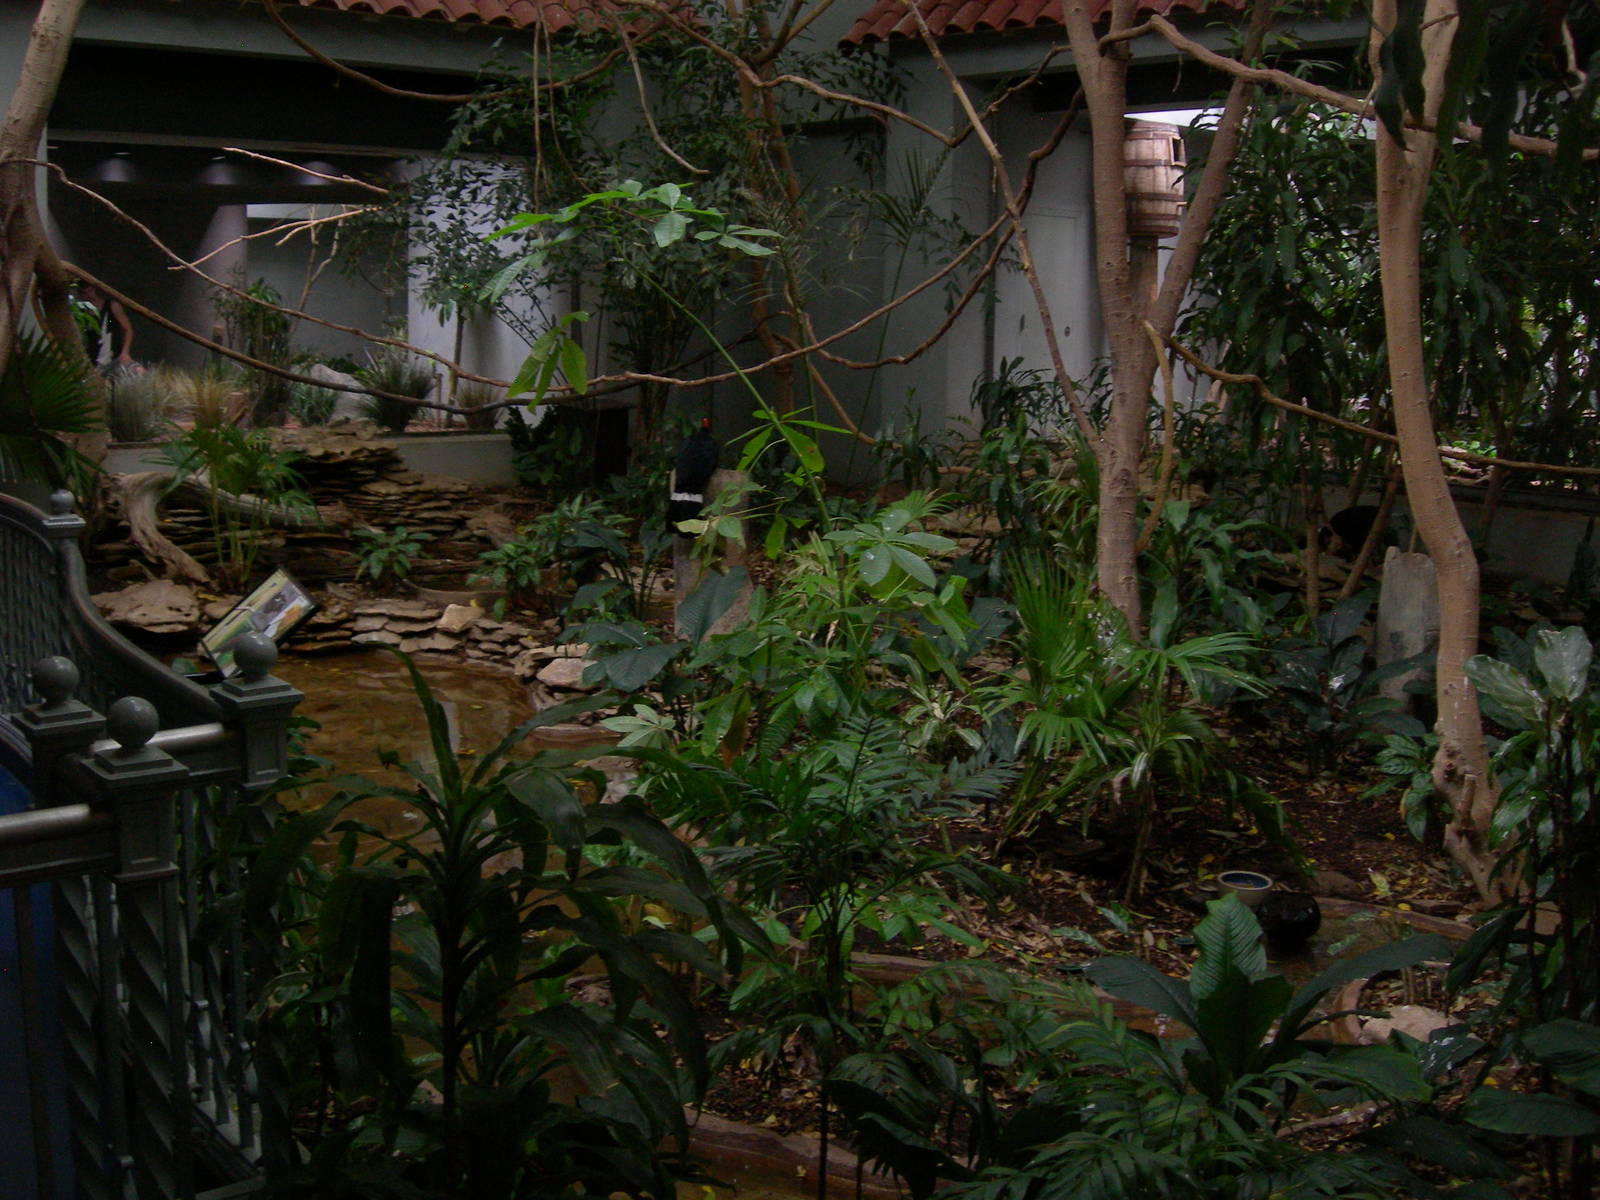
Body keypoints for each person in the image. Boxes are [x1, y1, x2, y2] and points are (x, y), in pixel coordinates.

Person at [76, 282, 137, 372]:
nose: (88, 295)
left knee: (137, 370)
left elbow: (128, 329)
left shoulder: (111, 306)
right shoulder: (79, 312)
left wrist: (125, 352)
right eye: (84, 293)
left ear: (94, 289)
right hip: (90, 361)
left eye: (90, 291)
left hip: (113, 357)